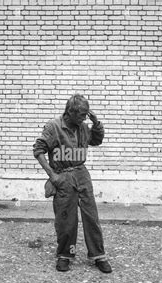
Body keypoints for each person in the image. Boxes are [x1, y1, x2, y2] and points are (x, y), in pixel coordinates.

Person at [33, 94, 112, 273]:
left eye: (86, 114)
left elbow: (96, 141)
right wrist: (53, 176)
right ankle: (65, 255)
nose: (85, 118)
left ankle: (98, 255)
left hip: (81, 173)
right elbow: (38, 151)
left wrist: (96, 122)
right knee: (65, 219)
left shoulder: (83, 127)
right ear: (70, 112)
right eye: (82, 115)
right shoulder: (53, 127)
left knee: (91, 216)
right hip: (63, 176)